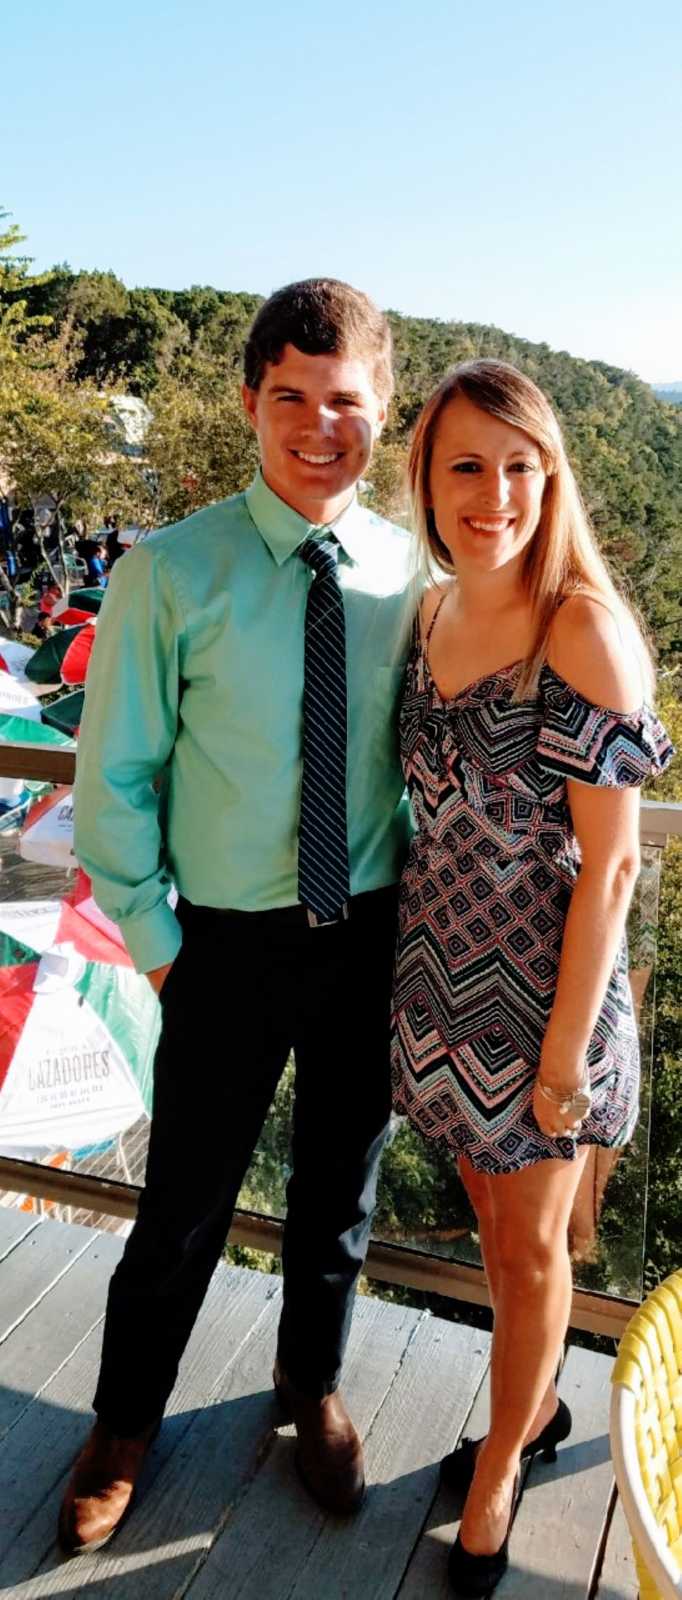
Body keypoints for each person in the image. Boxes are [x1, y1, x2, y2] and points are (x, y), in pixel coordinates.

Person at [60, 279, 414, 1553]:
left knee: (339, 1192)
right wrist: (162, 952)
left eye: (346, 401)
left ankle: (308, 1391)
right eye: (292, 398)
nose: (321, 426)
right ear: (251, 400)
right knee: (187, 1203)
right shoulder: (169, 569)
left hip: (371, 931)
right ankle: (122, 1423)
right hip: (221, 942)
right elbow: (119, 776)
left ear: (385, 407)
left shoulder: (412, 570)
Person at [390, 359, 673, 1596]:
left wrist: (562, 1052)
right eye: (466, 463)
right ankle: (538, 1405)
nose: (494, 491)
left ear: (549, 475)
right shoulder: (433, 613)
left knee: (529, 1252)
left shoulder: (582, 628)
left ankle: (502, 1459)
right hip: (436, 981)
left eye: (520, 464)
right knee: (493, 1232)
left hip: (545, 998)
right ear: (428, 478)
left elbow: (610, 871)